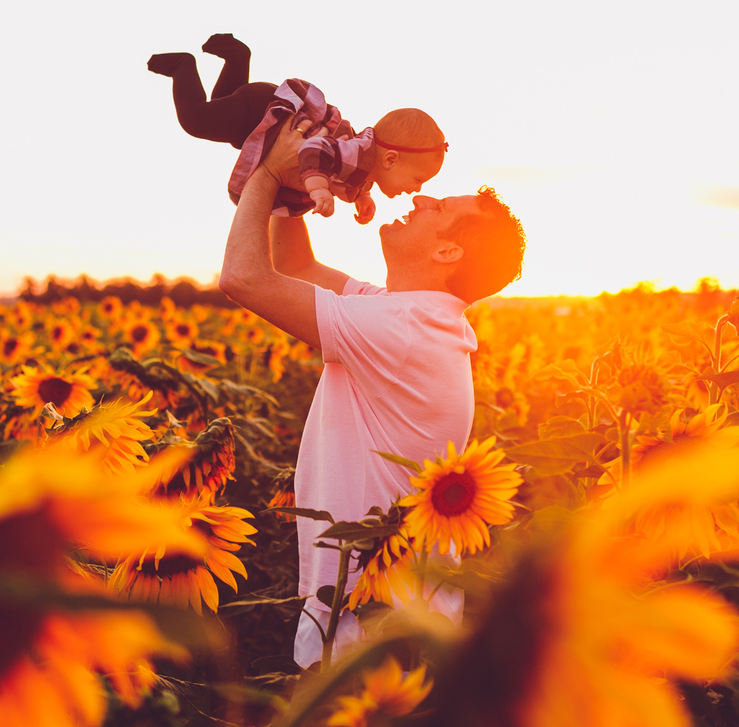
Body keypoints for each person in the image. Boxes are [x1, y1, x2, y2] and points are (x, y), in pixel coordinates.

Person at [218, 116, 526, 667]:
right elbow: (298, 265)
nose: (424, 199)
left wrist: (263, 171)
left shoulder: (403, 329)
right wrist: (293, 188)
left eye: (441, 209)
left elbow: (245, 278)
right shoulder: (406, 313)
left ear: (449, 254)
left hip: (376, 637)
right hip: (385, 617)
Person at [149, 34, 448, 225]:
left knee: (220, 109)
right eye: (419, 179)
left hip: (259, 113)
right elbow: (315, 149)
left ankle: (238, 58)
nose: (418, 189)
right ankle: (182, 66)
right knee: (195, 119)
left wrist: (362, 198)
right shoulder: (354, 153)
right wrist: (317, 188)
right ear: (391, 159)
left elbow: (351, 174)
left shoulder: (364, 162)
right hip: (261, 111)